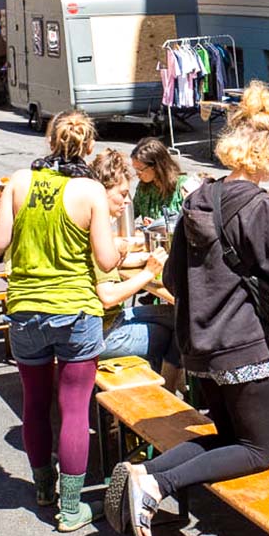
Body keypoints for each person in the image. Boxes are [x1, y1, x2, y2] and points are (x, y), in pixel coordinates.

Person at [107, 82, 269, 536]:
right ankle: (158, 485)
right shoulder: (260, 208)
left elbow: (176, 281)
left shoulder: (200, 197)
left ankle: (145, 471)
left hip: (199, 347)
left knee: (230, 440)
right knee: (258, 450)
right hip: (241, 348)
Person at [0, 110, 121, 531]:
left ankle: (44, 488)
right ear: (88, 148)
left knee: (34, 403)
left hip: (26, 309)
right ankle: (70, 508)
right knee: (74, 409)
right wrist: (118, 246)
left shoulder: (18, 181)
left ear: (49, 142)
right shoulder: (92, 191)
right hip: (75, 310)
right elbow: (104, 259)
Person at [89, 149, 182, 391]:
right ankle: (164, 394)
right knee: (182, 329)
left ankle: (178, 384)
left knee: (178, 315)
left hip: (104, 321)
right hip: (102, 334)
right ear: (102, 193)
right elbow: (108, 297)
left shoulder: (89, 223)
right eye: (122, 194)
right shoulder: (97, 232)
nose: (128, 201)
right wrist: (149, 273)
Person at [130, 137, 200, 230]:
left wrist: (159, 225)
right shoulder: (143, 187)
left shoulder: (185, 186)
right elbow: (131, 213)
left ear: (156, 166)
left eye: (140, 170)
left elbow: (197, 223)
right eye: (136, 169)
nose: (137, 174)